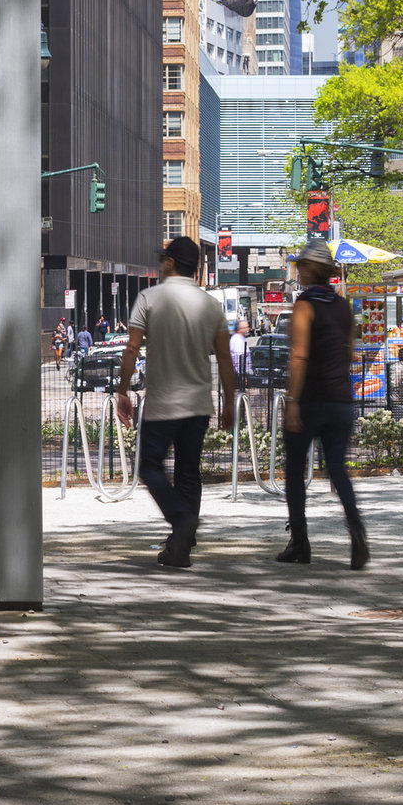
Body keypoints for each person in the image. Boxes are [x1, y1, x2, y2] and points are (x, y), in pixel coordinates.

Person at [116, 236, 235, 570]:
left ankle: (181, 521)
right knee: (188, 473)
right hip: (198, 403)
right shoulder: (210, 305)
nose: (159, 266)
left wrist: (123, 390)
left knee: (148, 466)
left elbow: (132, 349)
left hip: (163, 403)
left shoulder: (149, 298)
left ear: (170, 263)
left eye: (162, 260)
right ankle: (182, 546)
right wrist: (229, 401)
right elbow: (224, 357)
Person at [277, 237, 369, 570]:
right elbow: (350, 354)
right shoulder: (343, 306)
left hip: (311, 400)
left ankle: (300, 543)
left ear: (310, 269)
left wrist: (292, 401)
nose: (299, 270)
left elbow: (299, 355)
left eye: (301, 266)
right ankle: (357, 531)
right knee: (337, 469)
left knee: (294, 471)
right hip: (341, 400)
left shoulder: (305, 305)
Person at [229, 316, 251, 380]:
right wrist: (243, 377)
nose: (248, 329)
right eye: (246, 327)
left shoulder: (241, 339)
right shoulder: (237, 340)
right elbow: (238, 361)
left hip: (243, 374)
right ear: (240, 329)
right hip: (240, 376)